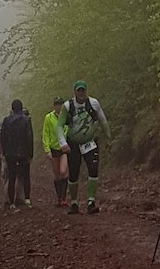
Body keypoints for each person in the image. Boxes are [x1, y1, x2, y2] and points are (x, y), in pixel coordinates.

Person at [57, 80, 111, 215]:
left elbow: (103, 120)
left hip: (89, 142)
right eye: (79, 90)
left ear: (86, 91)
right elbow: (59, 125)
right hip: (73, 143)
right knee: (73, 173)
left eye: (83, 90)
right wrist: (63, 143)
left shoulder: (93, 103)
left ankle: (91, 202)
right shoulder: (68, 106)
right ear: (74, 92)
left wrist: (108, 137)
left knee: (93, 169)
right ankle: (74, 203)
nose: (81, 93)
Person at [0, 99, 34, 209]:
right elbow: (29, 137)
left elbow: (3, 137)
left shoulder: (6, 121)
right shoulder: (26, 120)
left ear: (12, 108)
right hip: (23, 152)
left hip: (10, 153)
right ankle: (27, 199)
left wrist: (4, 152)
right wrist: (30, 153)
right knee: (26, 176)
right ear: (21, 108)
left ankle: (11, 203)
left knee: (11, 177)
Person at [42, 96, 69, 206]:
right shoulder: (48, 117)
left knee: (63, 171)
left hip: (63, 148)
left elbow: (69, 129)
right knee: (57, 174)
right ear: (54, 106)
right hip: (53, 149)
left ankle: (64, 197)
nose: (58, 106)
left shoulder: (66, 116)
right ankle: (59, 197)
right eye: (56, 104)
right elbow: (46, 134)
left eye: (60, 104)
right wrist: (47, 149)